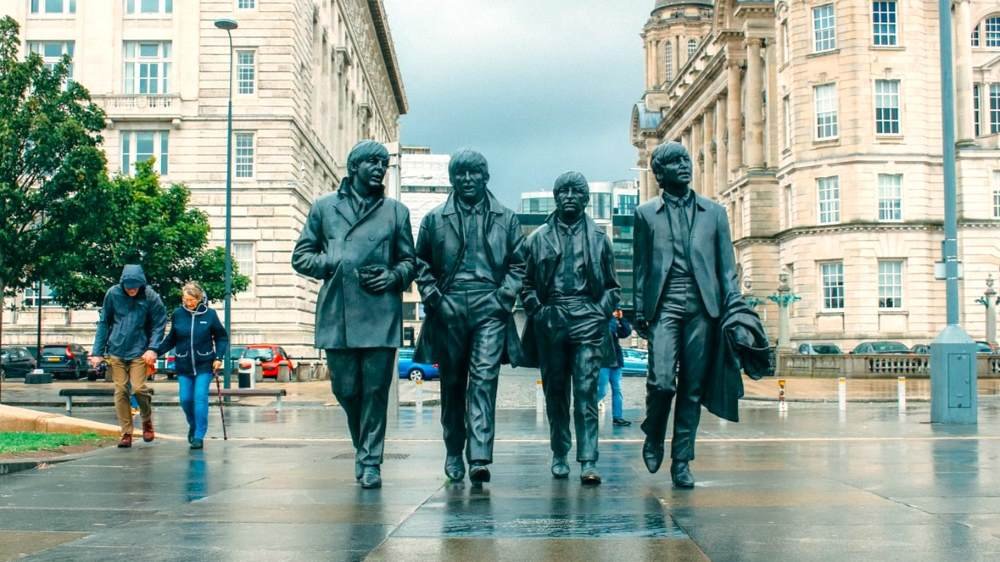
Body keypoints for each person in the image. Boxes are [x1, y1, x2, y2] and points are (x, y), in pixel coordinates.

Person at [633, 141, 769, 489]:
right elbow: (641, 268)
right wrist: (638, 309)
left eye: (686, 160)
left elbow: (727, 270)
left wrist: (734, 309)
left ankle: (682, 461)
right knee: (662, 382)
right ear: (659, 174)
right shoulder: (646, 214)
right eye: (675, 162)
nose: (684, 166)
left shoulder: (715, 213)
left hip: (703, 308)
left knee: (692, 388)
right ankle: (653, 432)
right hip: (664, 305)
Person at [292, 140, 416, 489]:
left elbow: (410, 261)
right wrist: (331, 261)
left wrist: (394, 276)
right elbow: (301, 257)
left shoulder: (396, 212)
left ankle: (371, 461)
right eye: (372, 162)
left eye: (384, 163)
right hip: (338, 313)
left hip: (380, 312)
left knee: (375, 392)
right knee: (346, 390)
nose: (379, 168)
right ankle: (362, 447)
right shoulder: (324, 208)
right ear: (354, 167)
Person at [414, 149, 525, 484]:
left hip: (489, 307)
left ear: (485, 176)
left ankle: (478, 455)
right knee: (452, 385)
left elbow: (519, 264)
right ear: (452, 179)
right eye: (459, 174)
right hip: (448, 307)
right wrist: (435, 298)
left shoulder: (506, 218)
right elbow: (421, 265)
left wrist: (502, 297)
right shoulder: (434, 219)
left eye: (473, 173)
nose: (466, 180)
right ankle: (453, 450)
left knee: (483, 379)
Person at [520, 171, 620, 485]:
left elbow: (612, 287)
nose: (569, 197)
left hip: (587, 319)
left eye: (576, 192)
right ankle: (560, 452)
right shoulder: (536, 239)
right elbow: (525, 284)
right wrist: (539, 311)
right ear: (555, 197)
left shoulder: (600, 239)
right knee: (556, 392)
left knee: (587, 393)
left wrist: (598, 312)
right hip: (551, 319)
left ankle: (588, 459)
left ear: (586, 198)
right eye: (563, 191)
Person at [90, 264, 167, 448]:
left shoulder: (150, 296)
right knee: (121, 390)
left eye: (135, 287)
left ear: (141, 284)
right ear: (122, 283)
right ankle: (126, 433)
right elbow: (104, 323)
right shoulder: (113, 294)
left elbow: (159, 323)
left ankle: (146, 419)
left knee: (139, 388)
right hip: (116, 350)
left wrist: (153, 348)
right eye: (128, 287)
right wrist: (97, 353)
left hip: (140, 351)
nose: (132, 290)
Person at [156, 282, 228, 450]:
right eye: (185, 299)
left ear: (198, 298)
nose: (188, 303)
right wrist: (154, 351)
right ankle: (193, 424)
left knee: (200, 398)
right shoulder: (178, 314)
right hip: (183, 363)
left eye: (191, 300)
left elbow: (221, 337)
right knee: (185, 399)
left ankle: (199, 435)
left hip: (204, 364)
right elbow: (171, 339)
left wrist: (219, 357)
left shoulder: (210, 315)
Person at [598, 309, 632, 426]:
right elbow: (608, 329)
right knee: (602, 390)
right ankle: (588, 411)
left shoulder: (615, 321)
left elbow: (626, 332)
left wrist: (622, 319)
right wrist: (612, 317)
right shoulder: (602, 318)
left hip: (616, 361)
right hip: (603, 361)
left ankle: (617, 417)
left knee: (617, 390)